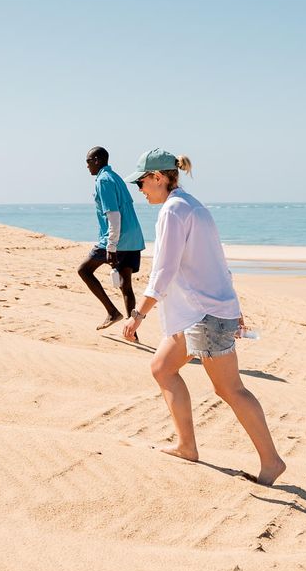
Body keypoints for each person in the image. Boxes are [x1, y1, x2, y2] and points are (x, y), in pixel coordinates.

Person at [123, 149, 287, 486]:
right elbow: (218, 262)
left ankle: (271, 462)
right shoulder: (194, 206)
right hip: (206, 312)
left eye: (141, 182)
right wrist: (234, 307)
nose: (139, 189)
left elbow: (163, 270)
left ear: (158, 177)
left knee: (230, 389)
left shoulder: (173, 211)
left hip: (204, 315)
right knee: (162, 368)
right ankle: (186, 446)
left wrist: (138, 314)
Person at [77, 146, 144, 330]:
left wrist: (111, 246)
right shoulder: (116, 177)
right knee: (126, 286)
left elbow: (113, 215)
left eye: (88, 161)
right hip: (133, 238)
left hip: (117, 239)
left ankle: (112, 312)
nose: (87, 166)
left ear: (97, 160)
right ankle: (132, 332)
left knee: (84, 270)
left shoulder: (104, 180)